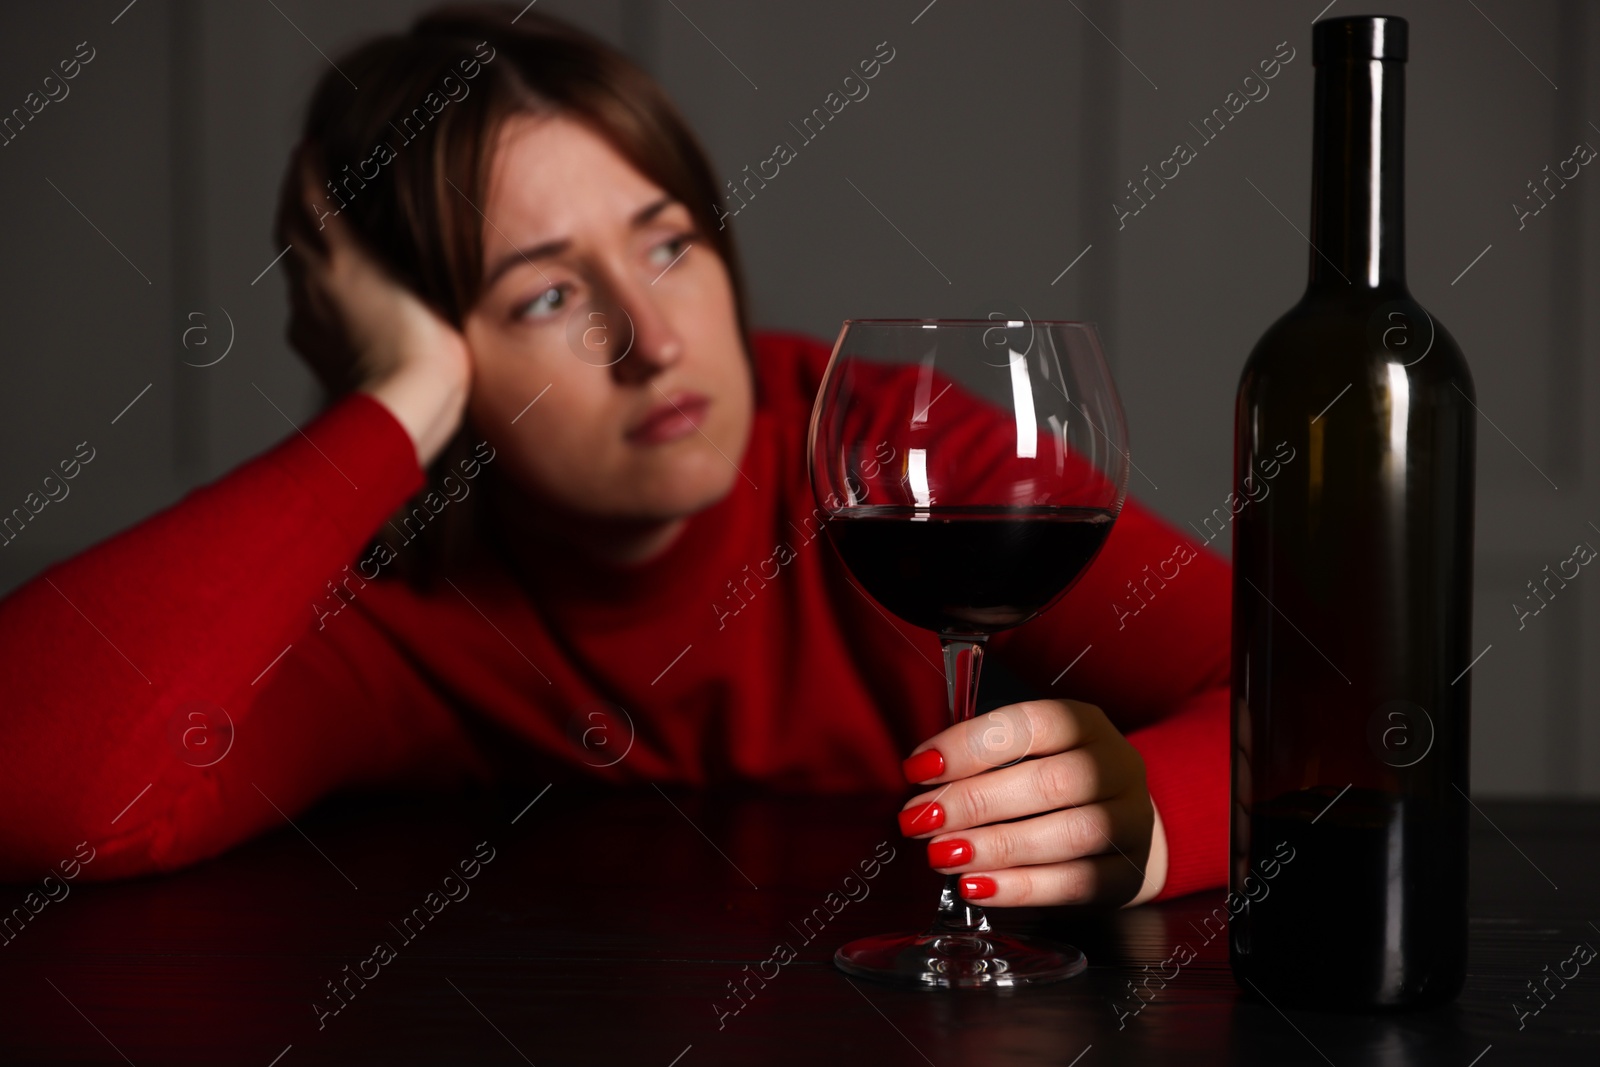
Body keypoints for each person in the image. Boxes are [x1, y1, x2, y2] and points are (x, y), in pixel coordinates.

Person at [0, 3, 1229, 908]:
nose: (649, 341)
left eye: (667, 245)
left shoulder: (886, 453)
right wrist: (393, 405)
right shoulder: (405, 613)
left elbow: (1333, 681)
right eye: (542, 299)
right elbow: (45, 788)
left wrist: (1152, 817)